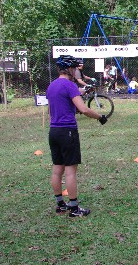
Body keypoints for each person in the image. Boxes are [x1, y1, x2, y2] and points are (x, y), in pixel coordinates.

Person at [46, 56, 108, 217]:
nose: (76, 72)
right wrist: (100, 117)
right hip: (68, 131)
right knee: (70, 171)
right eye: (74, 68)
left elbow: (53, 108)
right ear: (69, 69)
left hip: (54, 131)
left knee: (57, 169)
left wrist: (83, 91)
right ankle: (74, 208)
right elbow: (84, 109)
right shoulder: (69, 85)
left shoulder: (52, 86)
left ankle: (60, 204)